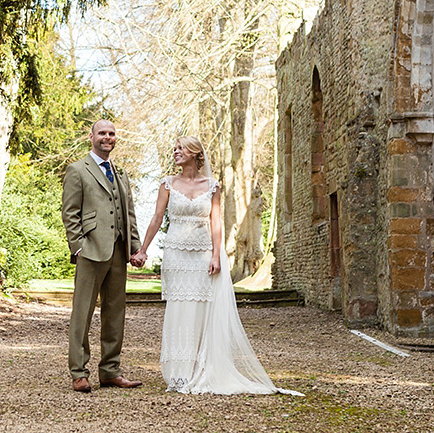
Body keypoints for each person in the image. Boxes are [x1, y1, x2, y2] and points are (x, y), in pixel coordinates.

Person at [130, 136, 304, 396]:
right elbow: (157, 218)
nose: (175, 152)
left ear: (195, 153)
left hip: (202, 255)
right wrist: (143, 249)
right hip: (176, 254)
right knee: (179, 308)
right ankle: (178, 373)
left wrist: (215, 255)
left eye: (181, 148)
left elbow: (216, 222)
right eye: (174, 148)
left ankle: (199, 370)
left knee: (201, 310)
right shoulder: (167, 183)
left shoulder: (212, 186)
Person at [61, 120, 143, 393]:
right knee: (82, 314)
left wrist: (134, 247)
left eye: (111, 134)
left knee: (115, 314)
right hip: (91, 251)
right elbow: (70, 213)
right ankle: (79, 372)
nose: (107, 138)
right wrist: (78, 246)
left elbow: (128, 213)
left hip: (118, 252)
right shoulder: (77, 170)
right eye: (102, 133)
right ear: (91, 136)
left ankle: (110, 371)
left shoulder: (120, 174)